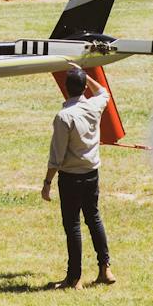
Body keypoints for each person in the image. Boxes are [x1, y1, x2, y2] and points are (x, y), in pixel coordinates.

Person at [43, 62, 116, 289]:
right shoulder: (94, 107)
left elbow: (57, 155)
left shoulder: (64, 116)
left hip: (71, 177)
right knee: (93, 219)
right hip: (92, 174)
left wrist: (47, 183)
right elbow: (103, 92)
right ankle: (105, 268)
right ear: (84, 87)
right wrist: (85, 75)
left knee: (73, 225)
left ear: (66, 88)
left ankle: (73, 278)